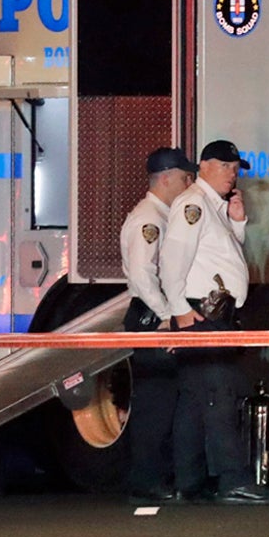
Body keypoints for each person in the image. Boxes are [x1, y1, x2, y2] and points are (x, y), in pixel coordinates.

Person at [157, 139, 269, 505]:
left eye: (235, 167)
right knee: (222, 397)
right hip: (204, 315)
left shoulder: (213, 207)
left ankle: (189, 480)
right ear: (204, 166)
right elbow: (172, 260)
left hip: (210, 314)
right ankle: (233, 480)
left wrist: (237, 225)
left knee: (195, 403)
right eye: (226, 166)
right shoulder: (194, 204)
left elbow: (216, 257)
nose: (233, 173)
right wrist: (179, 308)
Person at [120, 147, 196, 501]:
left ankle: (156, 477)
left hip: (156, 314)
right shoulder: (150, 219)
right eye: (184, 177)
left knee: (167, 400)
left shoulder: (163, 216)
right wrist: (166, 314)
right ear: (166, 178)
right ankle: (146, 480)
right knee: (156, 402)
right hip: (153, 317)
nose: (189, 183)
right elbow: (141, 272)